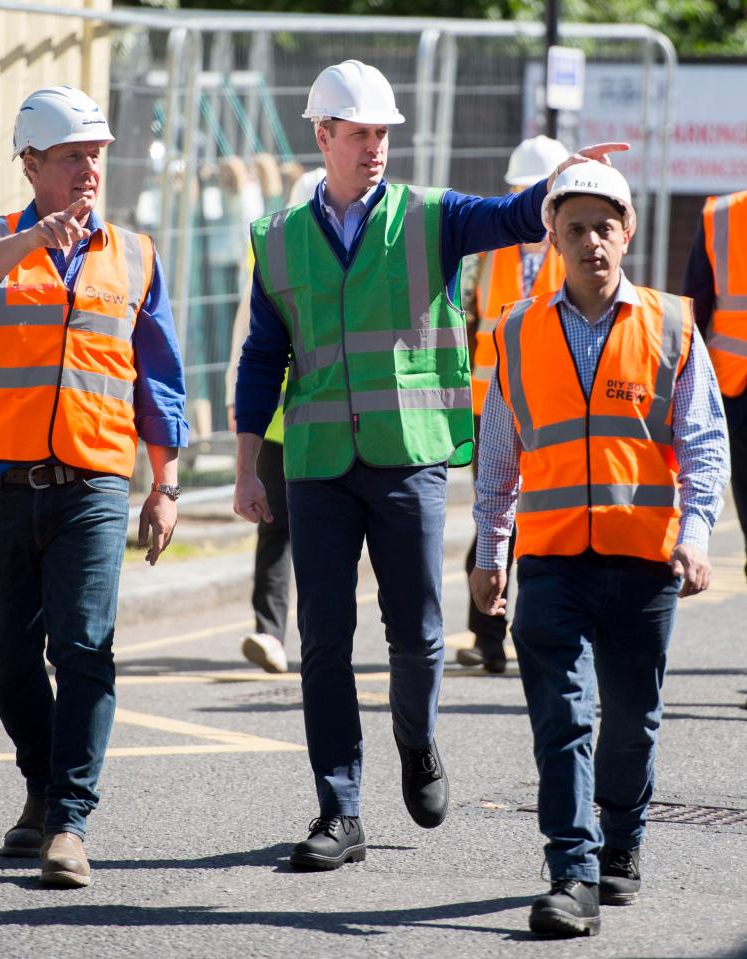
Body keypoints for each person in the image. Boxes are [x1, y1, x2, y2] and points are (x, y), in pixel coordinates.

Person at [233, 58, 626, 871]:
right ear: (323, 136)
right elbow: (261, 355)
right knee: (323, 637)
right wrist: (245, 466)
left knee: (415, 635)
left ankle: (416, 743)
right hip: (315, 462)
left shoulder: (431, 216)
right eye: (359, 133)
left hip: (407, 456)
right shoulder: (275, 237)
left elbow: (517, 217)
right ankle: (339, 808)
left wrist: (563, 181)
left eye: (383, 133)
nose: (375, 147)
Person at [469, 160, 729, 937]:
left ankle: (621, 843)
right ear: (549, 236)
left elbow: (703, 442)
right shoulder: (515, 329)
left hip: (643, 561)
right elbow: (497, 455)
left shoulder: (671, 325)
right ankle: (570, 868)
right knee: (563, 715)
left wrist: (693, 533)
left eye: (603, 227)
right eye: (574, 228)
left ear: (628, 232)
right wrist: (490, 551)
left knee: (632, 717)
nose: (590, 242)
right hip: (549, 561)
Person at [0, 86, 188, 888]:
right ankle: (42, 785)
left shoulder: (136, 254)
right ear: (32, 165)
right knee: (7, 654)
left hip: (92, 479)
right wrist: (32, 242)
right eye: (72, 156)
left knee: (83, 646)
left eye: (95, 155)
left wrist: (167, 482)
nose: (89, 169)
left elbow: (161, 379)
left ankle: (69, 820)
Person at [458, 135, 569, 674]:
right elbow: (466, 324)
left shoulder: (576, 247)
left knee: (542, 521)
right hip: (489, 406)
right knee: (494, 515)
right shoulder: (487, 251)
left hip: (554, 408)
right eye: (524, 194)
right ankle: (488, 634)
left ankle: (537, 631)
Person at [225, 168, 325, 674]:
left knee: (321, 533)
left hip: (327, 421)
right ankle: (270, 632)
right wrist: (234, 396)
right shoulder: (270, 253)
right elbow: (247, 331)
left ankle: (316, 636)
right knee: (275, 525)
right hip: (281, 420)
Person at [682, 190, 747, 579]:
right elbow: (694, 308)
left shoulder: (722, 215)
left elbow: (696, 304)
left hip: (735, 383)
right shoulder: (718, 215)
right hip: (736, 386)